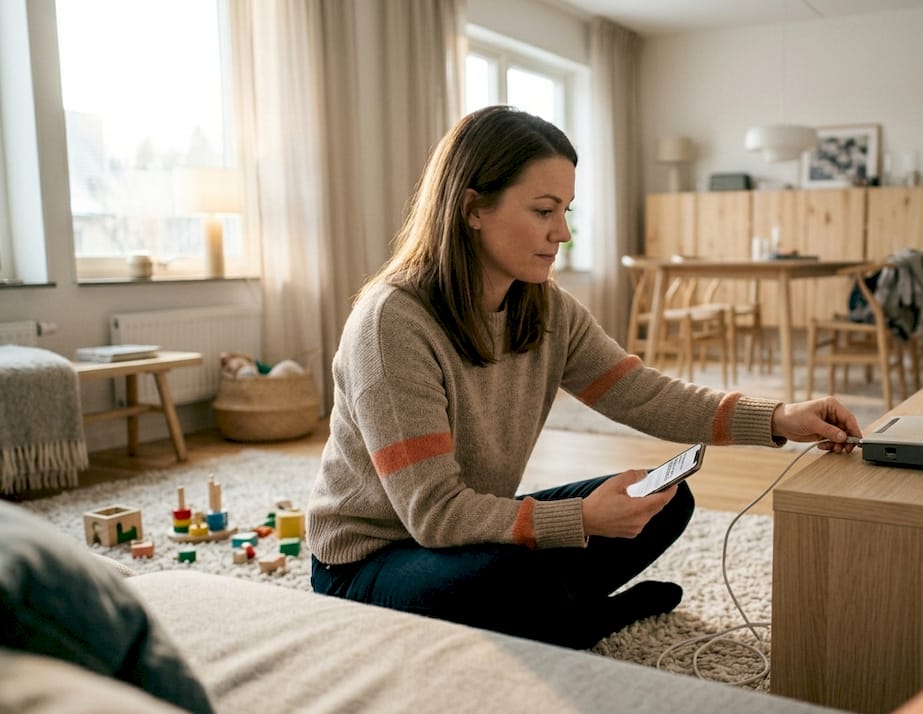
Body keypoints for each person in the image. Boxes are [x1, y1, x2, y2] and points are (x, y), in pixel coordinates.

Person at [306, 105, 862, 650]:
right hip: (367, 564)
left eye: (566, 210)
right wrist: (581, 517)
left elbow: (645, 395)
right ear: (473, 207)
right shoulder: (392, 323)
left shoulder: (545, 308)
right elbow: (435, 514)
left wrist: (780, 418)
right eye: (544, 211)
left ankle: (555, 614)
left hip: (461, 540)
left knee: (665, 499)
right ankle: (580, 619)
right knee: (514, 578)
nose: (563, 233)